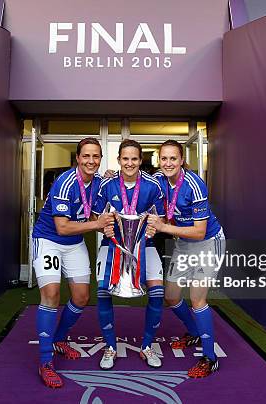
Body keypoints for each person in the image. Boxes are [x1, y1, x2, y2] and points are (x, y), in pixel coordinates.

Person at [32, 138, 114, 388]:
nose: (91, 161)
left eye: (96, 157)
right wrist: (98, 225)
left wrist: (113, 177)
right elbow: (62, 226)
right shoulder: (65, 182)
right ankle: (45, 361)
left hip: (74, 242)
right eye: (86, 156)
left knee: (80, 297)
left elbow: (116, 190)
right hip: (49, 240)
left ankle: (58, 339)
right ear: (77, 158)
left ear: (100, 159)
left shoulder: (99, 182)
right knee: (52, 294)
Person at [148, 139, 225, 378]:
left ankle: (210, 358)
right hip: (183, 242)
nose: (168, 163)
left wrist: (162, 228)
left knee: (197, 299)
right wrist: (111, 175)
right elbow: (132, 179)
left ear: (182, 160)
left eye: (173, 158)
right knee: (171, 296)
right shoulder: (159, 180)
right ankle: (192, 332)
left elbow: (199, 231)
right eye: (164, 158)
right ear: (159, 161)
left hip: (207, 243)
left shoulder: (194, 185)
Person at [91, 139, 166, 370]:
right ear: (119, 160)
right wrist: (104, 225)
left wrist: (155, 226)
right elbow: (95, 216)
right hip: (112, 245)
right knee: (103, 290)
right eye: (125, 158)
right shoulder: (108, 184)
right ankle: (111, 347)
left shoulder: (153, 185)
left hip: (145, 245)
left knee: (157, 292)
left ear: (140, 160)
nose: (130, 163)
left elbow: (161, 218)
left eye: (134, 159)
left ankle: (146, 346)